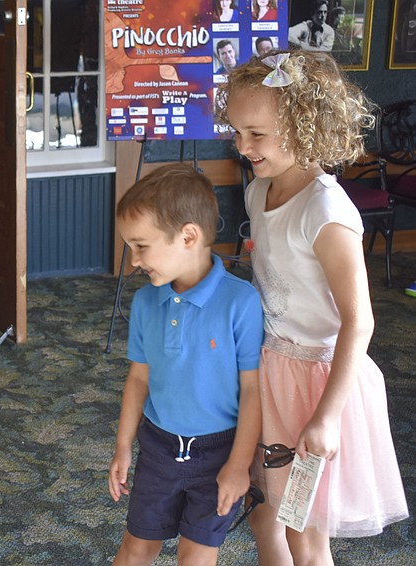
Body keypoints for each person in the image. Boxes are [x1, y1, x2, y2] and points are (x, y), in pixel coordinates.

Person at [215, 50, 409, 565]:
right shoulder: (259, 192)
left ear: (305, 127)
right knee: (263, 508)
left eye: (256, 133)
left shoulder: (326, 209)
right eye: (236, 131)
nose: (242, 145)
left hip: (318, 384)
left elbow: (359, 319)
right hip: (272, 369)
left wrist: (325, 417)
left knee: (302, 526)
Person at [108, 163, 264, 566]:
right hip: (158, 449)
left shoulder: (240, 302)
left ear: (189, 236)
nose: (134, 261)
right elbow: (138, 378)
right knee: (136, 548)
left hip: (219, 455)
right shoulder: (145, 302)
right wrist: (124, 446)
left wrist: (238, 464)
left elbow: (253, 390)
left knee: (196, 558)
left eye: (141, 246)